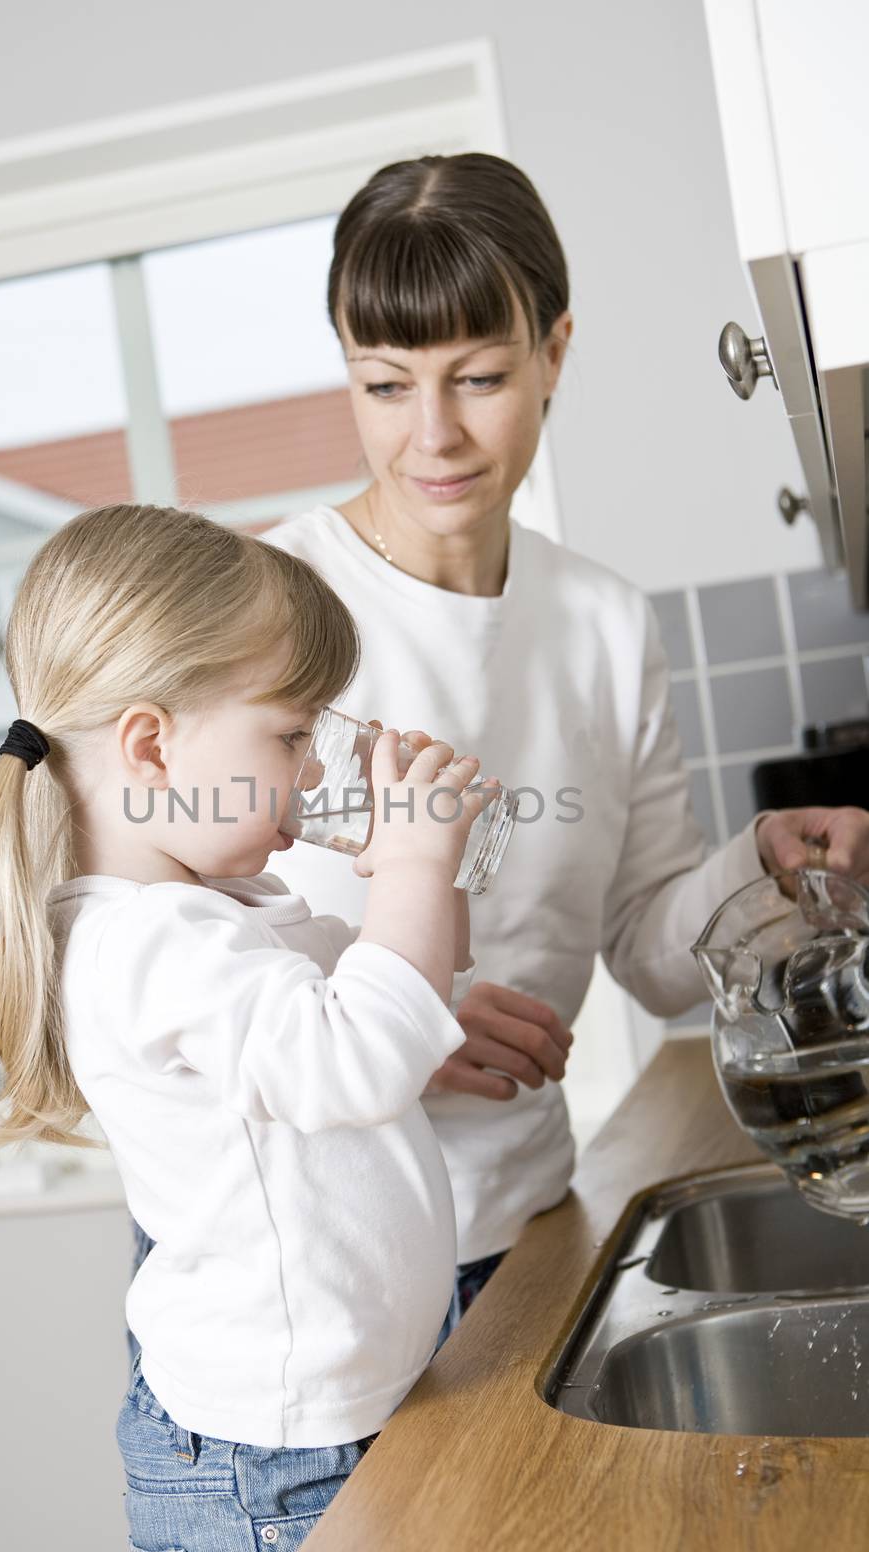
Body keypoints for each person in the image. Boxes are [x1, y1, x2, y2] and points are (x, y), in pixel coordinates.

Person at [250, 150, 869, 1327]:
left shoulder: (600, 622)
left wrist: (762, 865)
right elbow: (144, 928)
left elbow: (647, 946)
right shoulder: (265, 604)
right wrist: (377, 1015)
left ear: (554, 353)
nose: (431, 434)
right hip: (311, 1264)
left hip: (519, 1229)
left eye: (477, 377)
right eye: (384, 385)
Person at [0, 503, 498, 1552]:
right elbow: (352, 1058)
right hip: (270, 1472)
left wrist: (428, 880)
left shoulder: (222, 906)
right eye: (291, 735)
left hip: (329, 1423)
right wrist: (413, 871)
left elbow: (385, 1003)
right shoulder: (152, 941)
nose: (310, 765)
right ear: (152, 744)